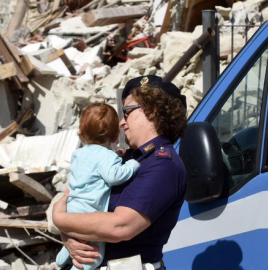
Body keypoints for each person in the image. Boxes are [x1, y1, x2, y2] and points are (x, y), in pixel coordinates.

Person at [53, 75, 188, 270]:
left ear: (151, 111)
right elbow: (81, 203)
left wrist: (60, 219)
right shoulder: (128, 158)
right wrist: (68, 238)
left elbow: (120, 227)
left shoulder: (163, 165)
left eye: (127, 112)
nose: (121, 123)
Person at [56, 103, 141, 270]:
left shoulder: (78, 154)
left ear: (81, 134)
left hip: (72, 207)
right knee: (94, 255)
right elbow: (113, 176)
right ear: (117, 135)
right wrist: (131, 165)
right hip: (90, 211)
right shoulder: (108, 156)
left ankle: (62, 257)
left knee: (76, 239)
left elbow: (91, 170)